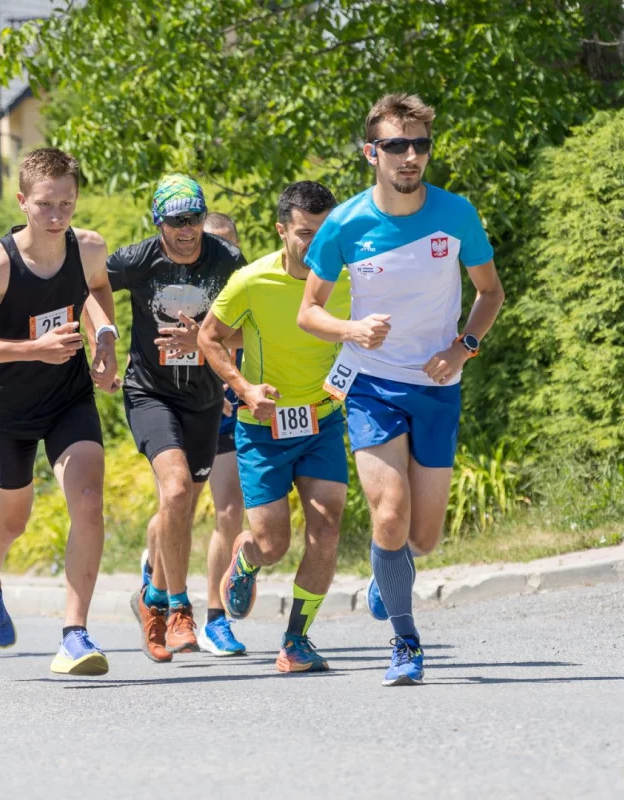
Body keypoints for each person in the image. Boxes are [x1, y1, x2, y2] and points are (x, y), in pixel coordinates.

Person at [298, 94, 505, 686]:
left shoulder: (456, 214)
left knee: (424, 537)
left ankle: (387, 572)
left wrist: (462, 348)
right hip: (371, 383)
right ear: (372, 152)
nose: (409, 156)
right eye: (395, 145)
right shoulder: (345, 224)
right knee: (389, 514)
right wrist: (351, 328)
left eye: (419, 145)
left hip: (438, 384)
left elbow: (490, 294)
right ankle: (406, 644)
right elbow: (309, 312)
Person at [0, 147, 120, 676]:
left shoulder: (87, 247)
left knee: (88, 503)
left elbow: (98, 289)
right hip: (9, 410)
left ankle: (74, 634)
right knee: (10, 522)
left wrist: (105, 340)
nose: (56, 214)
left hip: (68, 397)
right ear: (23, 201)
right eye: (45, 204)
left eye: (66, 203)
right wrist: (32, 349)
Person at [200, 181, 349, 672]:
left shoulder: (348, 278)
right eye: (305, 233)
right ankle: (245, 559)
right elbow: (209, 337)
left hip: (322, 420)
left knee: (326, 530)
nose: (316, 244)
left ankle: (296, 640)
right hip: (263, 428)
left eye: (326, 232)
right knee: (272, 543)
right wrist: (243, 388)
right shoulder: (251, 281)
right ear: (282, 231)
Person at [103, 174, 245, 663]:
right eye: (176, 220)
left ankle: (150, 597)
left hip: (204, 400)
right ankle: (179, 607)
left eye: (195, 218)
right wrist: (101, 339)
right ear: (158, 221)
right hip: (150, 393)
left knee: (181, 507)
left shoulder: (226, 261)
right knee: (177, 489)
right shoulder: (137, 260)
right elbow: (86, 284)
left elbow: (254, 329)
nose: (187, 230)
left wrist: (207, 342)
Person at [196, 211, 251, 656]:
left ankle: (215, 619)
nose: (222, 254)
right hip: (188, 411)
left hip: (236, 415)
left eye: (229, 246)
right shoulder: (183, 290)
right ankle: (155, 570)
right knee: (175, 505)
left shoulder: (251, 285)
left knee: (229, 510)